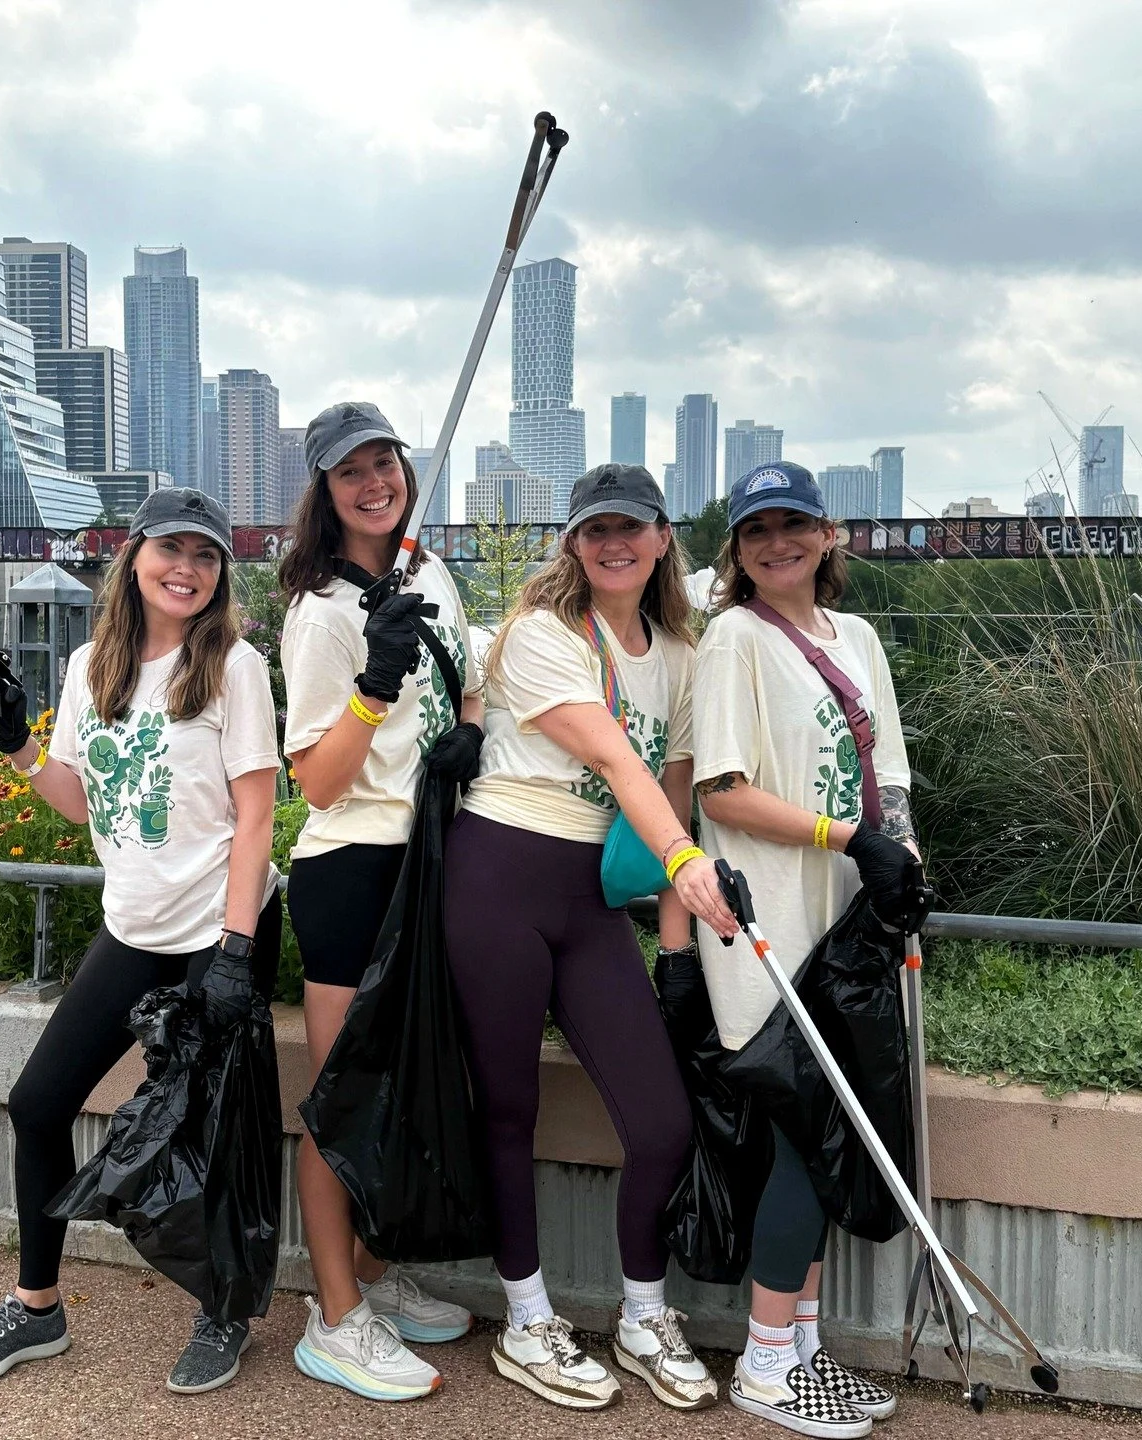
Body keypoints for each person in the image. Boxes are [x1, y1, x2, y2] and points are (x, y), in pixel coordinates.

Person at [0, 488, 283, 1395]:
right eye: (171, 550)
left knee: (216, 1133)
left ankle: (225, 1313)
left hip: (219, 927)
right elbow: (85, 802)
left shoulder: (233, 667)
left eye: (207, 557)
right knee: (39, 1103)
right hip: (131, 927)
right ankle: (36, 1307)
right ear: (132, 558)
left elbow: (256, 822)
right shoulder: (94, 665)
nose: (189, 570)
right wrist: (15, 747)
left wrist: (237, 952)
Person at [442, 463, 738, 1413]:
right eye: (594, 529)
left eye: (633, 528)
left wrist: (678, 944)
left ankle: (644, 1314)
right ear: (573, 543)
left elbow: (676, 786)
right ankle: (527, 1321)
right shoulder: (540, 635)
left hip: (592, 900)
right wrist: (687, 853)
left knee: (662, 1122)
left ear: (662, 539)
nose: (614, 544)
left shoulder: (683, 658)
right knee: (508, 1109)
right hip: (501, 873)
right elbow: (612, 753)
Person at [693, 461, 922, 1437]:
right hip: (769, 926)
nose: (776, 543)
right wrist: (846, 840)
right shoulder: (733, 639)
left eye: (795, 525)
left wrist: (902, 861)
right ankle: (767, 1364)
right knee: (800, 1143)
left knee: (836, 1145)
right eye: (756, 532)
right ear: (738, 553)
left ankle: (806, 1348)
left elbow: (892, 780)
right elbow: (722, 791)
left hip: (849, 928)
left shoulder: (859, 639)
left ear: (829, 537)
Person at [279, 402, 482, 1402]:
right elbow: (315, 782)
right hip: (353, 870)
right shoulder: (319, 612)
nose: (373, 482)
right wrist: (372, 685)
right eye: (349, 470)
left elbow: (472, 683)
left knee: (394, 1093)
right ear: (323, 490)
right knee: (340, 1104)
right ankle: (336, 1317)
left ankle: (369, 1273)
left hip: (428, 860)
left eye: (384, 462)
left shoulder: (428, 571)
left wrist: (468, 734)